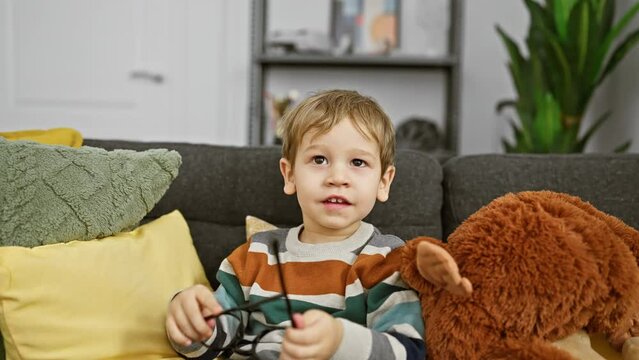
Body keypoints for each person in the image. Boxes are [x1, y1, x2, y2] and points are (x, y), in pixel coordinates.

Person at [166, 89, 428, 359]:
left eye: (358, 162)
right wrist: (191, 324)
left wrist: (340, 341)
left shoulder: (387, 261)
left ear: (383, 183)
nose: (337, 177)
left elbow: (408, 351)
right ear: (290, 175)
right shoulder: (254, 255)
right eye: (319, 160)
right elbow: (211, 346)